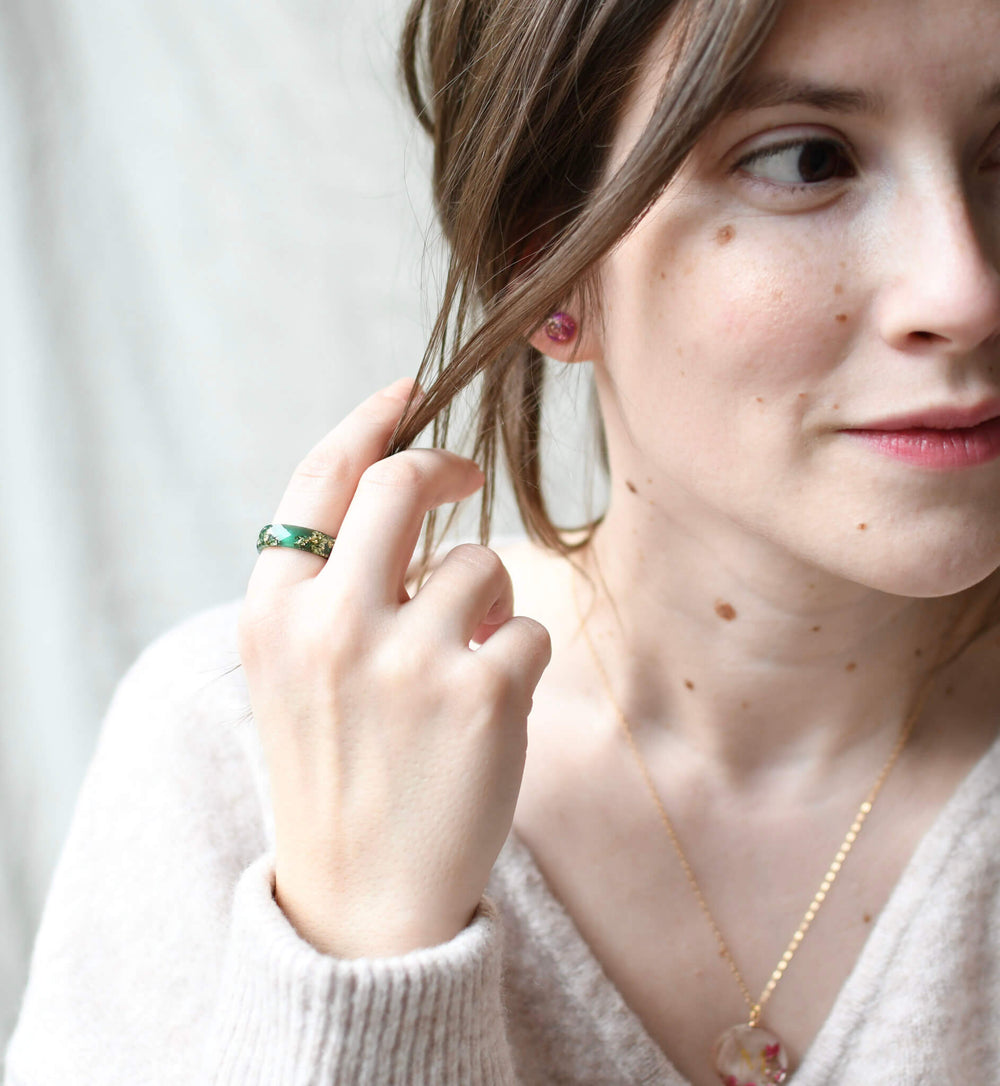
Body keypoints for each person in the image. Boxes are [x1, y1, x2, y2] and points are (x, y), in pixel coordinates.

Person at [7, 0, 1000, 1082]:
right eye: (807, 161)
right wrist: (360, 944)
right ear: (548, 266)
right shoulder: (242, 754)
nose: (964, 292)